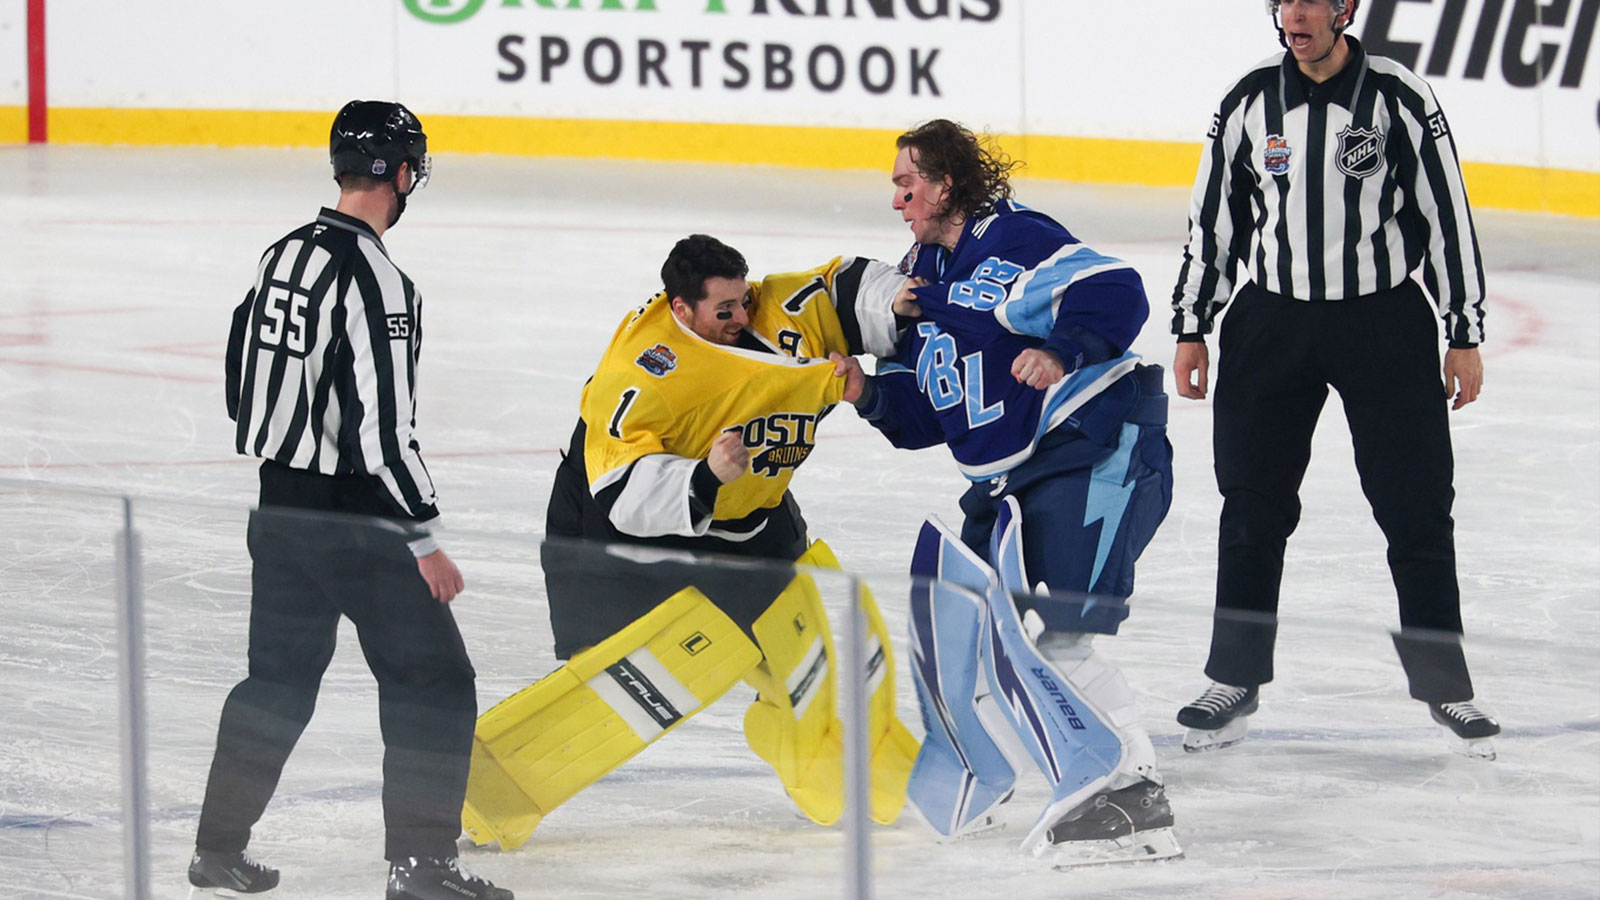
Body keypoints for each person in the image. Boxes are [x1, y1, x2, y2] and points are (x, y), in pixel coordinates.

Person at [460, 235, 919, 850]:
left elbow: (844, 286)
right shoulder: (645, 371)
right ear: (681, 310)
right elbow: (620, 492)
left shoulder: (774, 312)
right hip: (609, 527)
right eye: (723, 310)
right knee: (613, 671)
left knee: (795, 634)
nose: (741, 318)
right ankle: (488, 792)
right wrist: (704, 478)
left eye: (744, 300)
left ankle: (832, 759)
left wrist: (901, 301)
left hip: (751, 511)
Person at [835, 120, 1178, 865]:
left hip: (1094, 441)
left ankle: (1131, 792)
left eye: (906, 184)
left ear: (945, 183)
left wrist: (1061, 349)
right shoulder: (922, 270)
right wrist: (866, 390)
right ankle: (1013, 772)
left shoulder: (1013, 239)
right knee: (982, 632)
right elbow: (932, 412)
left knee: (1054, 633)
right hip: (1016, 475)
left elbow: (1115, 290)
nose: (898, 202)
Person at [1169, 0, 1500, 759]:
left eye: (1314, 1)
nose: (1297, 14)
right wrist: (1193, 322)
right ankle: (1234, 678)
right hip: (1271, 324)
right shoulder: (1249, 98)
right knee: (1251, 505)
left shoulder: (1400, 96)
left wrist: (1463, 331)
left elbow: (1447, 214)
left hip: (1382, 323)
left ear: (1346, 10)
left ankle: (1446, 686)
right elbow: (1213, 218)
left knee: (1415, 506)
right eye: (1285, 0)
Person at [202, 100, 513, 900]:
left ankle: (217, 849)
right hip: (358, 521)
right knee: (434, 681)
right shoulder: (377, 278)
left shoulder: (284, 253)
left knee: (275, 683)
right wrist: (424, 538)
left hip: (278, 507)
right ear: (401, 174)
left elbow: (242, 378)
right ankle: (421, 865)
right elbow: (383, 433)